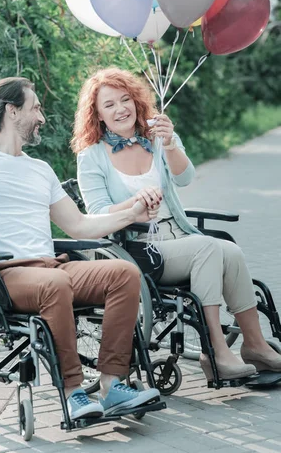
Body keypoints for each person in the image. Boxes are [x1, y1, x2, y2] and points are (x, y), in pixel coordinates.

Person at [0, 76, 160, 422]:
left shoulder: (41, 169)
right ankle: (73, 392)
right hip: (4, 275)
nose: (41, 116)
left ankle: (112, 384)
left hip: (53, 267)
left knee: (124, 274)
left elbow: (80, 226)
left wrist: (131, 213)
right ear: (12, 111)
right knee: (56, 286)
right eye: (35, 107)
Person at [72, 66, 281, 381]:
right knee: (209, 248)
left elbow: (185, 178)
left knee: (230, 250)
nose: (120, 109)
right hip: (138, 248)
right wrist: (134, 203)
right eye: (110, 104)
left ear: (136, 101)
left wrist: (169, 144)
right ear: (98, 114)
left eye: (125, 99)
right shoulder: (92, 156)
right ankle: (216, 351)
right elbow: (98, 213)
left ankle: (255, 346)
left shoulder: (156, 138)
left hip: (179, 235)